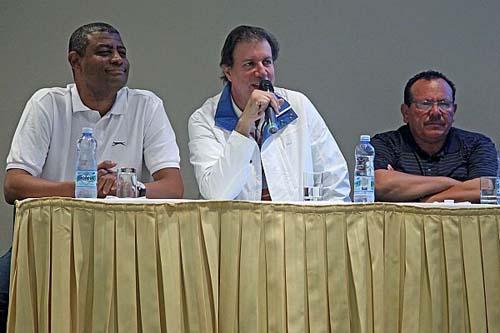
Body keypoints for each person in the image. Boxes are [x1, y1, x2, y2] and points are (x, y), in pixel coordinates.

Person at [0, 22, 183, 331]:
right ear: (75, 61)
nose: (118, 59)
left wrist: (125, 188)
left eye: (122, 52)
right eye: (104, 51)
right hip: (47, 245)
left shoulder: (146, 105)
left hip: (123, 247)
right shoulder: (48, 104)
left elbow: (173, 187)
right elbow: (14, 185)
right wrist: (83, 188)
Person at [188, 25, 350, 201]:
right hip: (236, 226)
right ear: (228, 72)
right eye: (250, 64)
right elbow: (216, 194)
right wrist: (243, 126)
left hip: (297, 224)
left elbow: (335, 180)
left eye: (267, 62)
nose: (262, 72)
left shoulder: (298, 105)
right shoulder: (203, 119)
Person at [372, 70, 497, 202]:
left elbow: (488, 189)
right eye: (425, 104)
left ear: (453, 111)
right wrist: (449, 183)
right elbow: (379, 185)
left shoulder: (477, 145)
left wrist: (426, 200)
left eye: (444, 104)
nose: (436, 112)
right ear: (406, 112)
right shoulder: (385, 143)